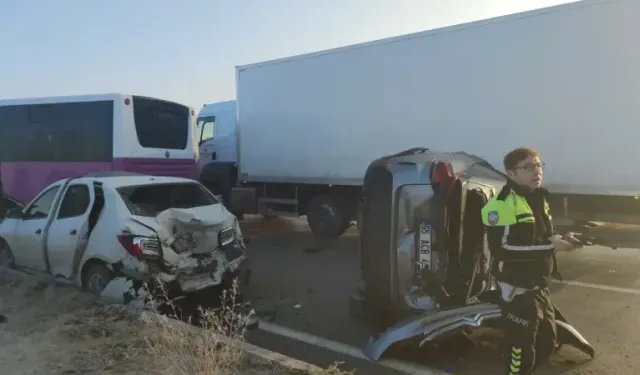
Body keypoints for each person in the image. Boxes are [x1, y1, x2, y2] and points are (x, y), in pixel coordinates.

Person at [481, 147, 581, 375]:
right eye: (528, 167)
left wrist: (564, 236)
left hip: (539, 286)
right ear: (511, 173)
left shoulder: (538, 198)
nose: (537, 171)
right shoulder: (500, 205)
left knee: (547, 343)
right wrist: (551, 246)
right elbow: (502, 250)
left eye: (538, 165)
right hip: (517, 289)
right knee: (521, 352)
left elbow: (542, 234)